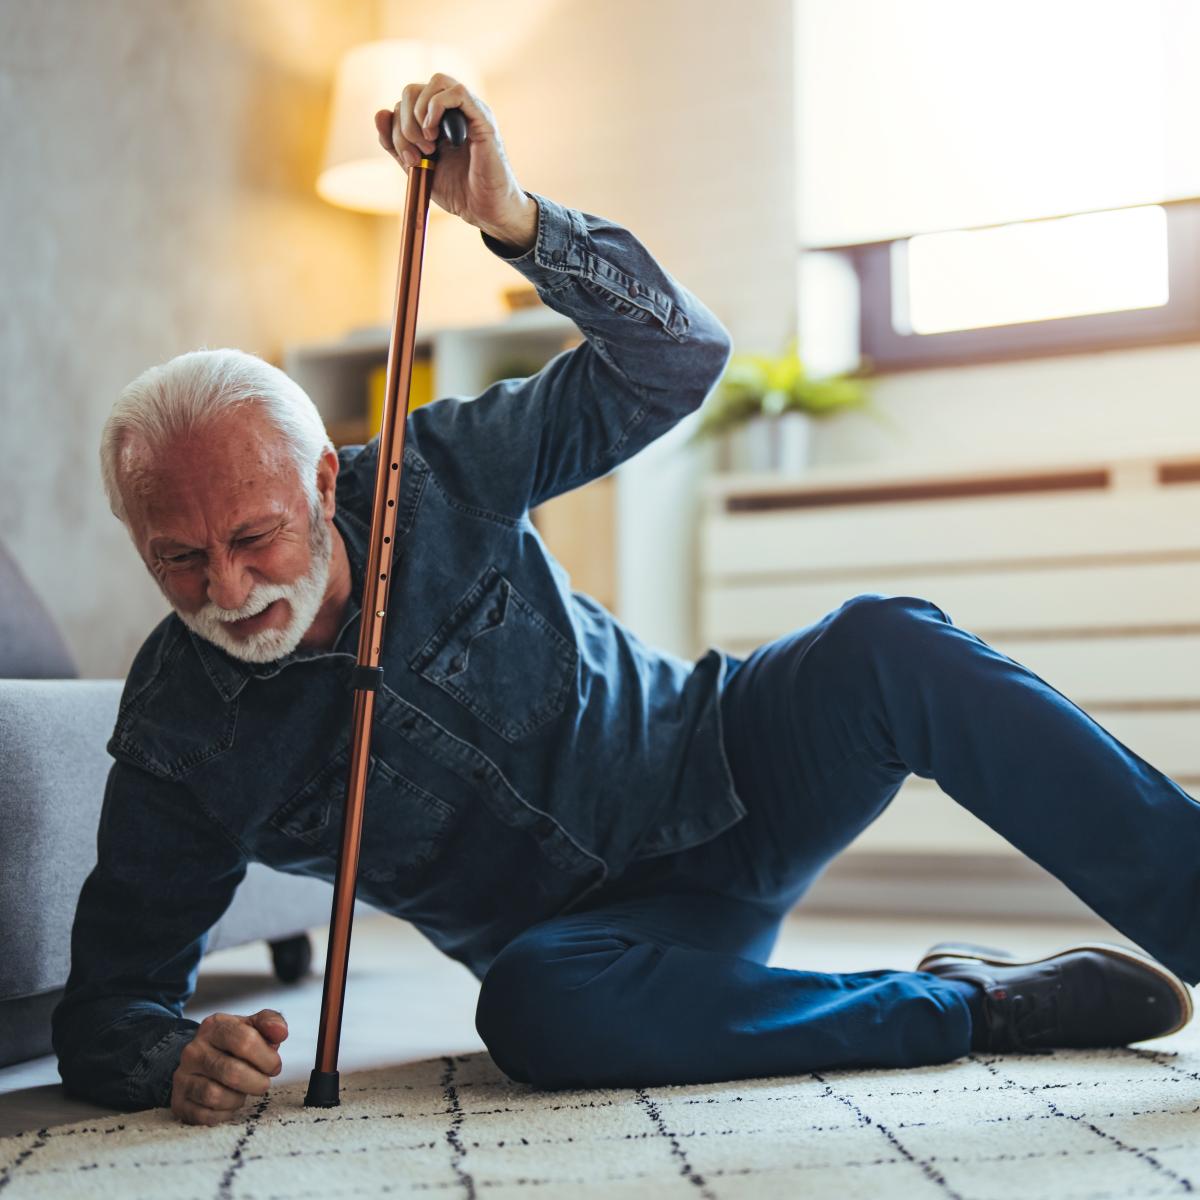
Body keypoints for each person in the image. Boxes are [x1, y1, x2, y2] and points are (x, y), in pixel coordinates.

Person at [53, 75, 1198, 1128]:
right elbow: (109, 1009)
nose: (230, 590)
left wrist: (516, 220)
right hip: (601, 947)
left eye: (252, 538)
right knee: (536, 1017)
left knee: (887, 643)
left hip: (727, 764)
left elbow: (678, 358)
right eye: (179, 560)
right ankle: (969, 1007)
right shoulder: (179, 731)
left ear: (323, 478)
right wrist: (174, 1058)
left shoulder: (437, 470)